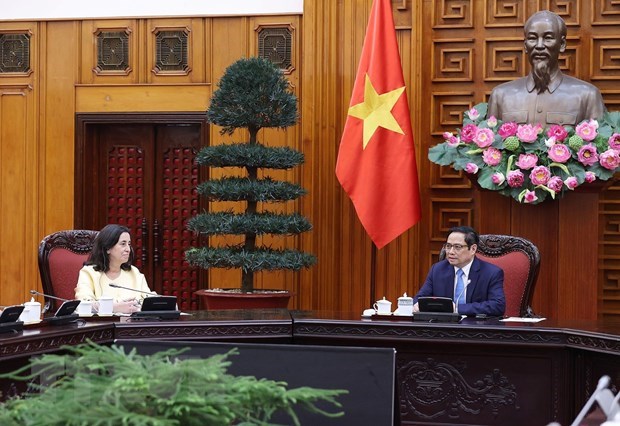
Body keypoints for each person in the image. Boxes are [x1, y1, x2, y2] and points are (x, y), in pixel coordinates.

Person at [487, 10, 606, 126]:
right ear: (525, 45)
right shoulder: (500, 95)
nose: (539, 46)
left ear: (562, 44)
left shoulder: (588, 96)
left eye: (548, 38)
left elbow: (601, 137)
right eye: (532, 38)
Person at [412, 226, 506, 316]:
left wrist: (457, 308)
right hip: (444, 324)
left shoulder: (491, 273)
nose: (451, 252)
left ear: (473, 249)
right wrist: (418, 305)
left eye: (457, 247)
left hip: (476, 325)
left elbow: (498, 306)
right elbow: (419, 299)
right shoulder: (437, 270)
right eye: (448, 246)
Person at [75, 224, 152, 314]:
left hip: (133, 322)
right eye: (123, 244)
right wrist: (114, 308)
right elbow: (83, 305)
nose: (128, 249)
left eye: (129, 244)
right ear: (108, 248)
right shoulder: (89, 273)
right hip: (104, 323)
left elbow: (150, 300)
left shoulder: (133, 272)